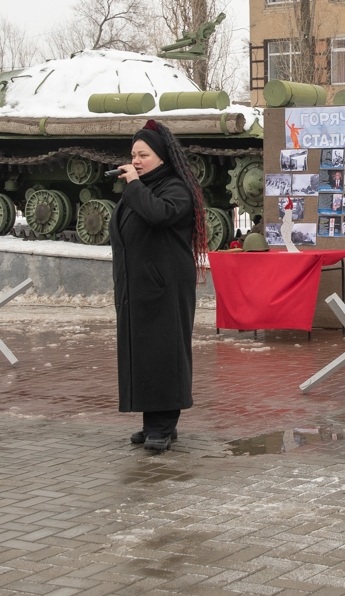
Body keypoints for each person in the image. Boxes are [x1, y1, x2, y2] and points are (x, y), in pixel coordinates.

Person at [110, 119, 208, 452]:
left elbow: (160, 215)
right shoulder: (143, 187)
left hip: (164, 288)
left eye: (144, 155)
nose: (136, 161)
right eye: (134, 154)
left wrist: (135, 185)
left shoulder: (174, 187)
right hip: (137, 288)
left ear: (162, 157)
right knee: (143, 354)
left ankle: (163, 426)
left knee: (165, 354)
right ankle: (152, 422)